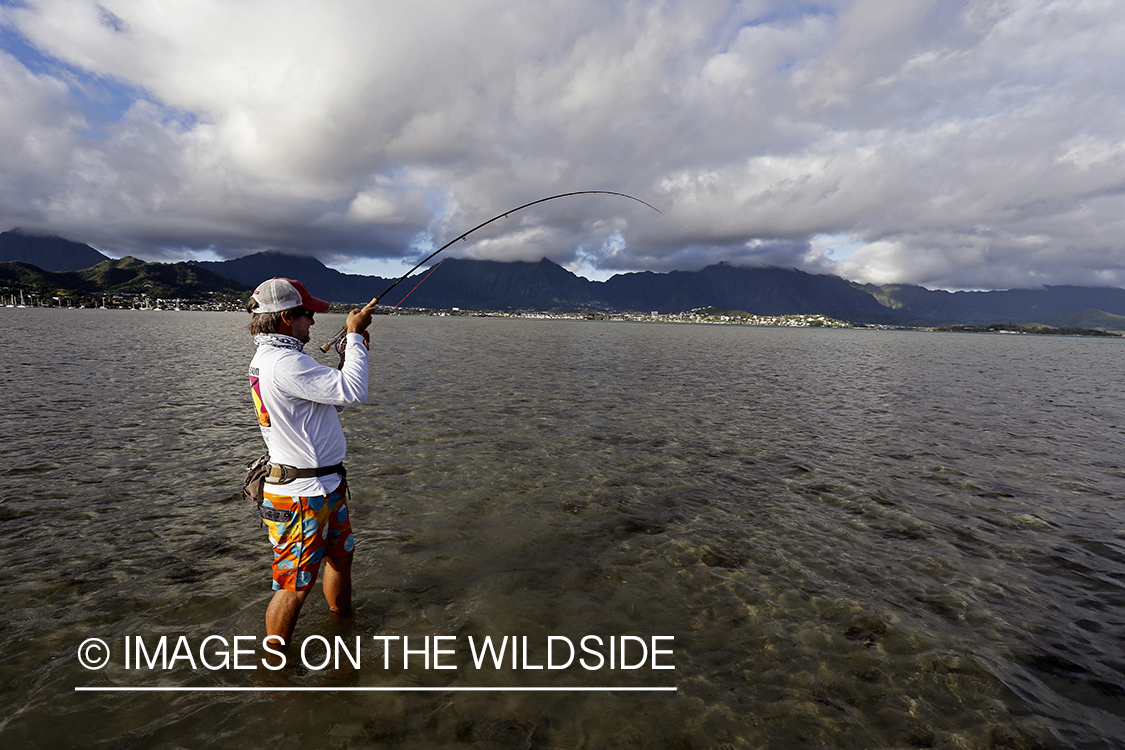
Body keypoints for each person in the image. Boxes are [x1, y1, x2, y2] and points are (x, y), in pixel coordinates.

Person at [245, 277, 372, 660]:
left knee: (340, 559)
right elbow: (354, 392)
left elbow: (329, 400)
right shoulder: (286, 363)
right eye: (307, 314)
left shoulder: (277, 359)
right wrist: (353, 336)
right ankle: (274, 668)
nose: (313, 322)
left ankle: (343, 627)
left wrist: (353, 351)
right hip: (301, 496)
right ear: (287, 317)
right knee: (294, 584)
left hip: (324, 486)